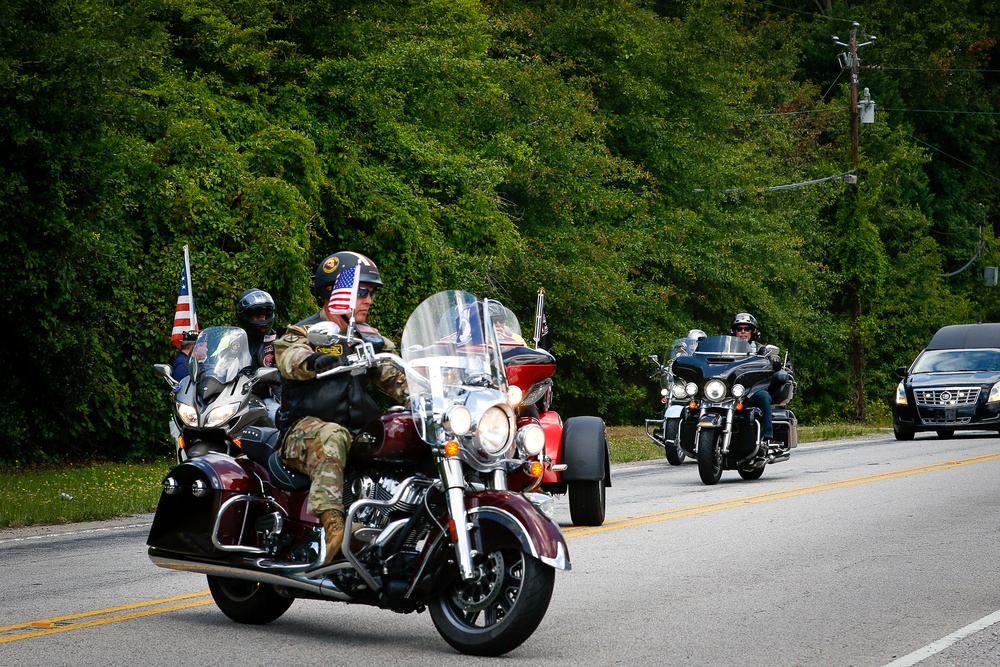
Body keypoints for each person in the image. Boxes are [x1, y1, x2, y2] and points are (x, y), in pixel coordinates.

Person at [274, 252, 407, 564]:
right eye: (362, 291)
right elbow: (289, 359)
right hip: (303, 433)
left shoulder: (370, 339)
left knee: (403, 431)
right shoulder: (303, 332)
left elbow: (399, 379)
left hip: (356, 432)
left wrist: (435, 396)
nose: (369, 300)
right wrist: (314, 360)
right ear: (335, 292)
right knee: (332, 435)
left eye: (371, 293)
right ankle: (336, 531)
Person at [730, 312, 782, 448]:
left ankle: (768, 437)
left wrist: (774, 360)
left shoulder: (760, 349)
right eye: (739, 329)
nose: (742, 332)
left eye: (746, 329)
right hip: (729, 391)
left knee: (764, 396)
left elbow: (772, 362)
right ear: (734, 331)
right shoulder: (727, 349)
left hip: (752, 390)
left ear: (752, 332)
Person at [235, 288, 279, 422]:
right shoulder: (233, 340)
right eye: (256, 312)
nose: (262, 316)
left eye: (265, 312)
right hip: (235, 396)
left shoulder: (279, 340)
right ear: (245, 314)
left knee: (274, 415)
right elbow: (216, 364)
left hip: (269, 396)